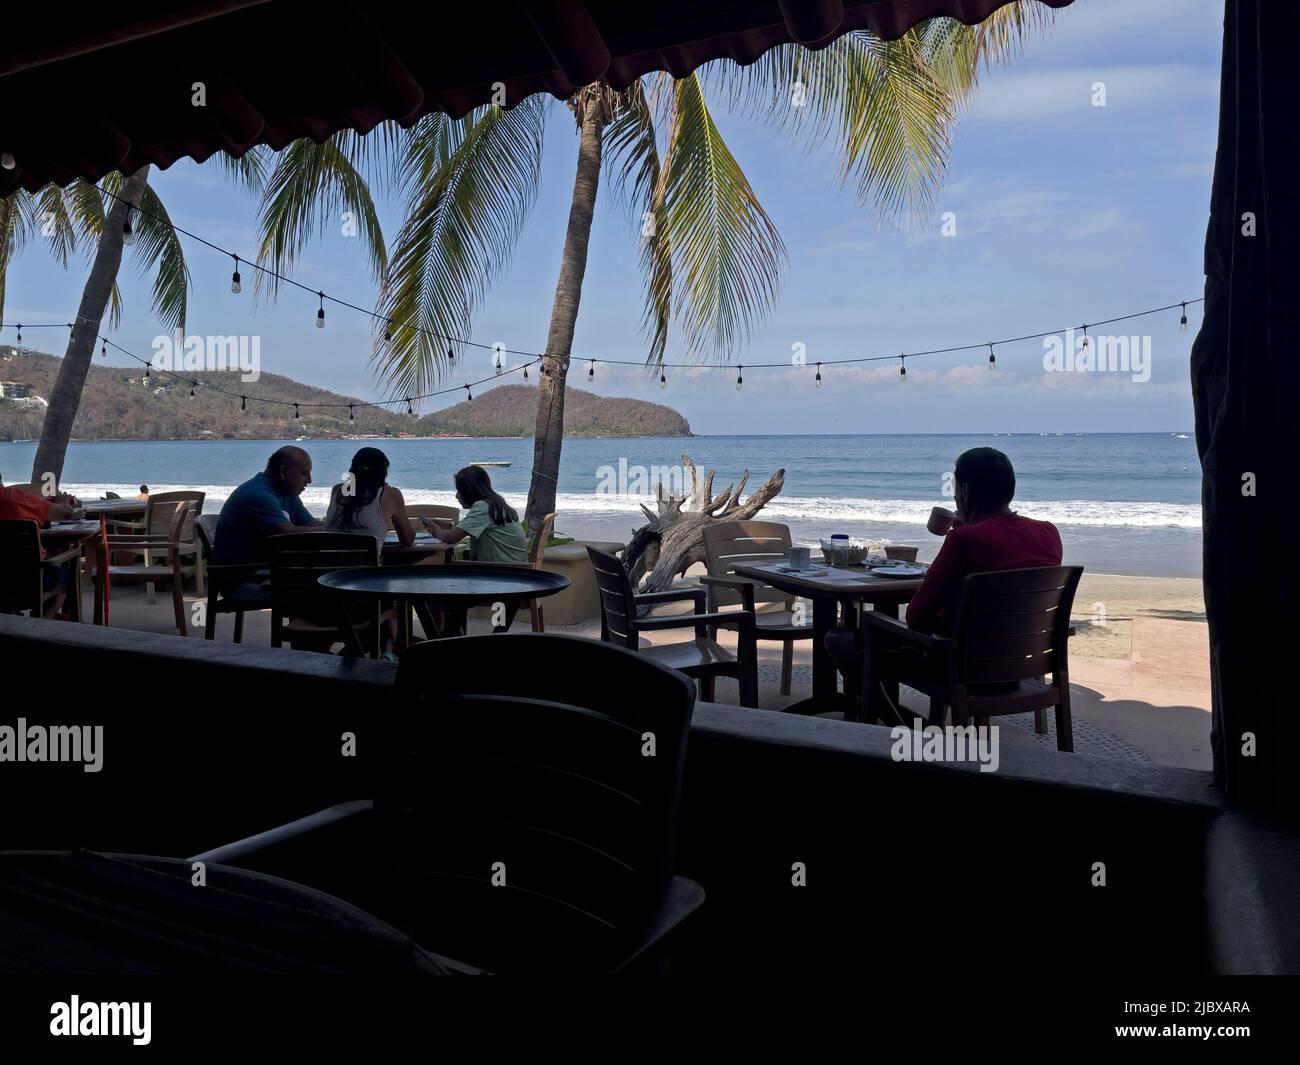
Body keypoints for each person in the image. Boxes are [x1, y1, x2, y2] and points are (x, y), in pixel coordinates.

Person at [826, 447, 1063, 714]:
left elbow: (917, 617)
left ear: (964, 491)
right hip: (1021, 666)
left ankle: (893, 721)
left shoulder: (965, 540)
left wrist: (962, 535)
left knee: (841, 639)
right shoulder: (1049, 534)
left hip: (961, 670)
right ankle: (919, 725)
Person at [323, 448, 414, 662]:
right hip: (364, 596)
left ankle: (364, 648)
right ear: (384, 472)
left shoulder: (338, 491)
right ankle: (389, 653)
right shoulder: (389, 494)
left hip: (328, 589)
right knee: (395, 592)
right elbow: (408, 539)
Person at [212, 446, 319, 597]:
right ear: (283, 472)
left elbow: (311, 525)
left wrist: (340, 526)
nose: (309, 480)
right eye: (304, 473)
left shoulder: (288, 494)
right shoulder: (257, 494)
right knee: (319, 591)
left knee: (320, 584)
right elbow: (285, 532)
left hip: (266, 573)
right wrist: (338, 531)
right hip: (242, 582)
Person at [0, 478, 81, 618]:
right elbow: (65, 512)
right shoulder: (14, 498)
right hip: (28, 580)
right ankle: (43, 624)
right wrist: (62, 501)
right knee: (63, 572)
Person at [421, 466, 526, 563]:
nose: (456, 496)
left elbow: (451, 538)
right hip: (514, 567)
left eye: (459, 491)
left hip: (501, 570)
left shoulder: (483, 507)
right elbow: (466, 527)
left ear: (469, 491)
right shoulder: (494, 503)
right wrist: (445, 525)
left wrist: (436, 530)